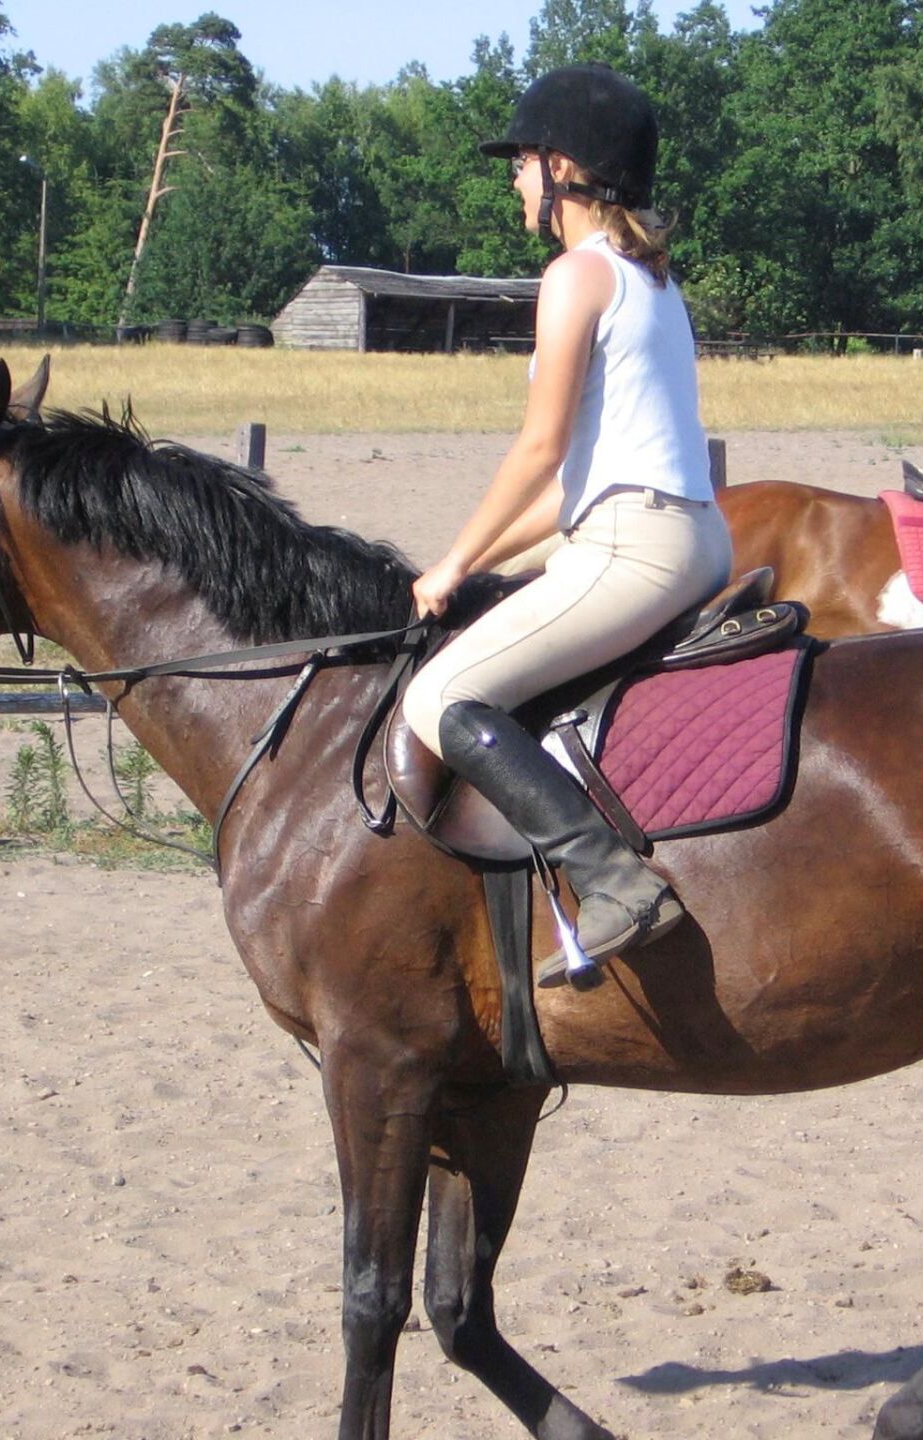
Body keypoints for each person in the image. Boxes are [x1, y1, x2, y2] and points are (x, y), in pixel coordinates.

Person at [400, 64, 734, 989]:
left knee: (440, 698)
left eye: (521, 163)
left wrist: (453, 561)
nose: (514, 181)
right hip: (689, 531)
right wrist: (466, 566)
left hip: (637, 546)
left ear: (562, 168)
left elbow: (542, 449)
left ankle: (613, 880)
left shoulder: (575, 274)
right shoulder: (650, 279)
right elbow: (579, 488)